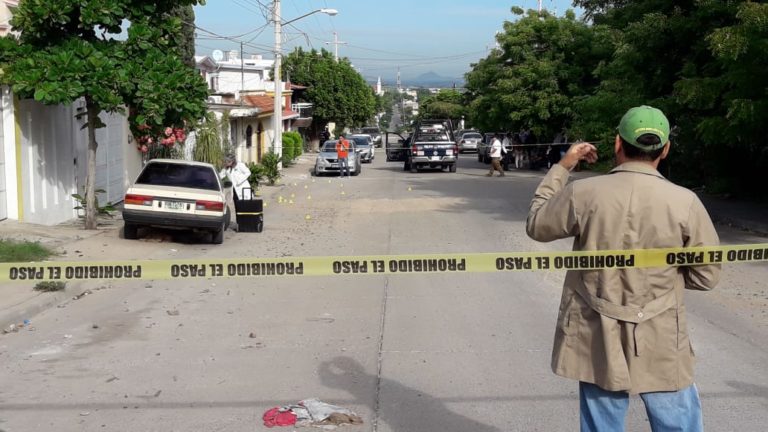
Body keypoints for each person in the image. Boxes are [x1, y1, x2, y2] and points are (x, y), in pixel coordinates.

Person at [526, 105, 720, 432]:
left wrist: (564, 165)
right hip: (660, 333)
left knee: (602, 423)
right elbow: (706, 275)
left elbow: (537, 225)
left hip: (596, 329)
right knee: (677, 420)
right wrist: (667, 276)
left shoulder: (583, 193)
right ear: (666, 149)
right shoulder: (685, 202)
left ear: (618, 143)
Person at [219, 154, 251, 231]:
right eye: (225, 161)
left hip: (243, 189)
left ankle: (247, 225)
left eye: (227, 161)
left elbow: (248, 172)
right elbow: (220, 176)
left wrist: (239, 180)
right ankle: (239, 226)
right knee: (238, 208)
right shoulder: (226, 169)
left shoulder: (240, 165)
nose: (225, 163)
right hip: (235, 192)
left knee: (245, 208)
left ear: (232, 161)